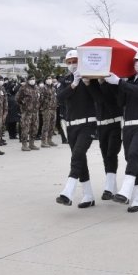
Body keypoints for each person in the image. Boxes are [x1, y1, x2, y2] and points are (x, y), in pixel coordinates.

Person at [105, 49, 138, 213]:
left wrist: (121, 84)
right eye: (136, 60)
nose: (137, 63)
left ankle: (125, 191)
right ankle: (137, 200)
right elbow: (121, 102)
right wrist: (118, 85)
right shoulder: (129, 80)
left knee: (135, 154)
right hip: (128, 125)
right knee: (131, 159)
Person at [55, 49, 100, 208]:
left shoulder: (90, 78)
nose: (73, 65)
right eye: (70, 62)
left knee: (77, 155)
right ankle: (88, 195)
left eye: (75, 61)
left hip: (88, 124)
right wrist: (73, 84)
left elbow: (99, 98)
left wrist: (87, 83)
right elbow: (59, 98)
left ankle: (68, 191)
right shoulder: (66, 80)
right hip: (71, 125)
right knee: (80, 159)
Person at [95, 61, 124, 200]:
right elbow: (95, 98)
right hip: (101, 124)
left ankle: (108, 187)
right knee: (105, 155)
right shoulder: (95, 83)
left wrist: (104, 82)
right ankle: (112, 187)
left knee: (112, 153)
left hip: (115, 123)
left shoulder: (113, 82)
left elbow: (110, 99)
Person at [16, 75, 41, 151]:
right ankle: (24, 145)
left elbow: (39, 98)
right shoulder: (23, 88)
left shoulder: (37, 88)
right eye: (31, 79)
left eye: (34, 79)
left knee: (35, 128)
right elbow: (17, 98)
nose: (33, 80)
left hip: (35, 111)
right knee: (25, 128)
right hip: (27, 112)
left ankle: (32, 144)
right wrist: (23, 104)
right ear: (28, 80)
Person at [39, 75, 58, 148]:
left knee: (52, 125)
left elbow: (55, 98)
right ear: (45, 80)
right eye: (48, 78)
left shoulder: (53, 88)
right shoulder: (43, 88)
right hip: (46, 109)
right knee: (46, 125)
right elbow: (40, 99)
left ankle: (50, 140)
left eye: (50, 78)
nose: (49, 80)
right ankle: (43, 141)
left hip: (53, 108)